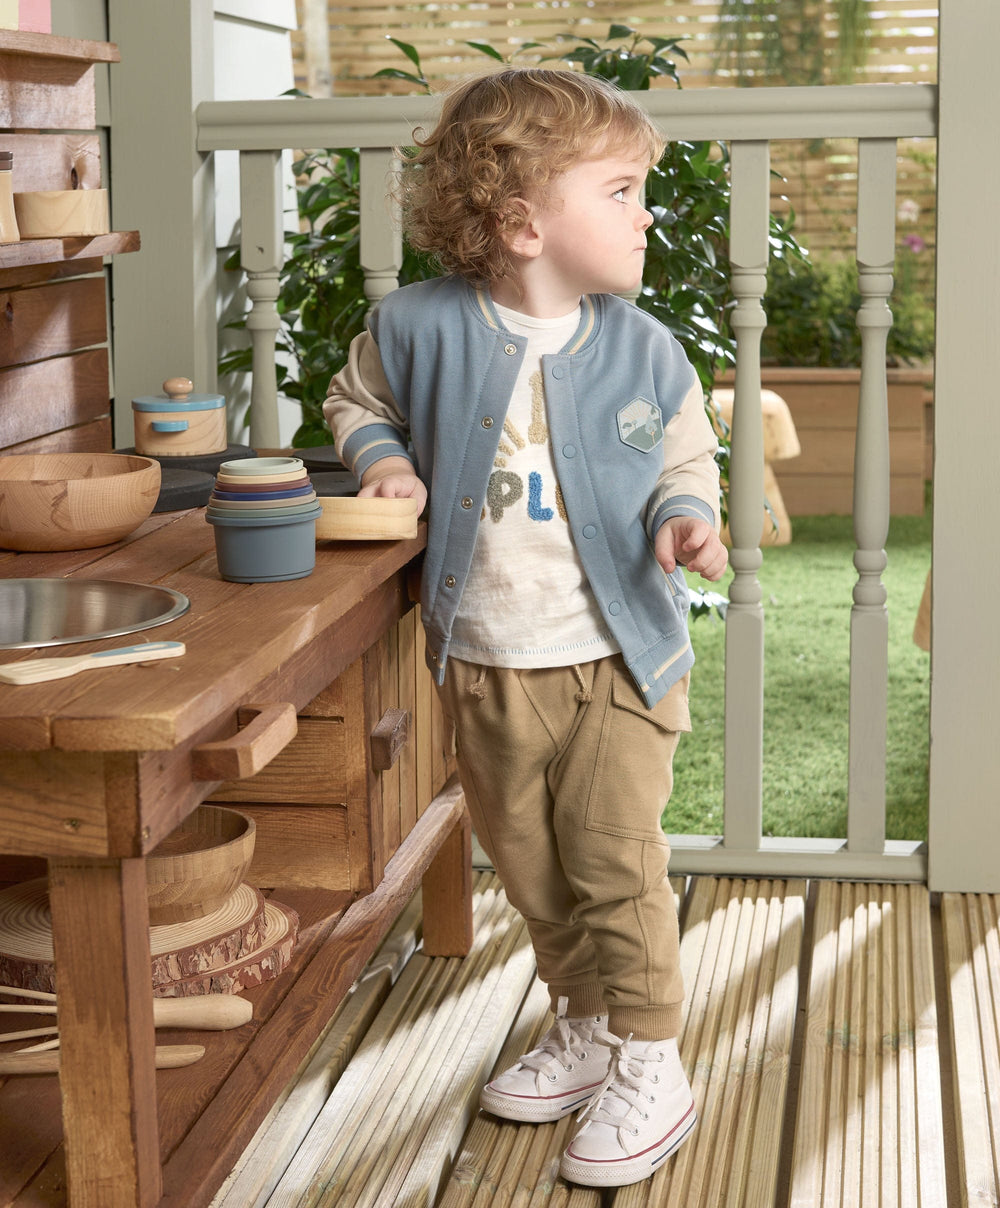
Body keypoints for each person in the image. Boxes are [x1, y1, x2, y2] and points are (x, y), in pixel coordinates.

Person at [323, 66, 728, 1189]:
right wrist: (383, 461)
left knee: (614, 860)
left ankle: (651, 1056)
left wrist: (687, 515)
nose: (646, 214)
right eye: (621, 190)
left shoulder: (644, 350)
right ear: (521, 222)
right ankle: (585, 1021)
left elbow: (683, 455)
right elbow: (355, 402)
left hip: (618, 661)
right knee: (533, 867)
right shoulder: (415, 328)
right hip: (488, 663)